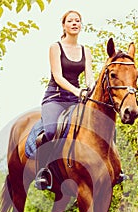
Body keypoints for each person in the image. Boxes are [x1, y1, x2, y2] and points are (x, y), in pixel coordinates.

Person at [35, 10, 95, 190]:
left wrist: (91, 88)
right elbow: (58, 77)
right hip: (55, 97)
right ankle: (44, 171)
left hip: (76, 99)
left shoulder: (86, 50)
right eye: (70, 21)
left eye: (78, 20)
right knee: (52, 130)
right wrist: (78, 91)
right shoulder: (55, 47)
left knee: (98, 127)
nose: (75, 23)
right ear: (64, 26)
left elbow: (89, 77)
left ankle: (113, 168)